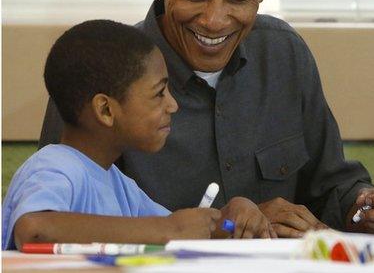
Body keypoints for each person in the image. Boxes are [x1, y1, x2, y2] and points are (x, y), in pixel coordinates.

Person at [39, 0, 374, 237]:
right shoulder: (101, 71)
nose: (215, 20)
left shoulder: (284, 54)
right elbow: (61, 226)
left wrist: (368, 205)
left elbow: (329, 187)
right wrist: (226, 224)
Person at [3, 20, 274, 251]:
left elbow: (183, 232)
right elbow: (34, 229)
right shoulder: (55, 165)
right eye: (159, 93)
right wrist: (169, 228)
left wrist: (230, 221)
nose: (172, 105)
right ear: (106, 110)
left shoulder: (121, 187)